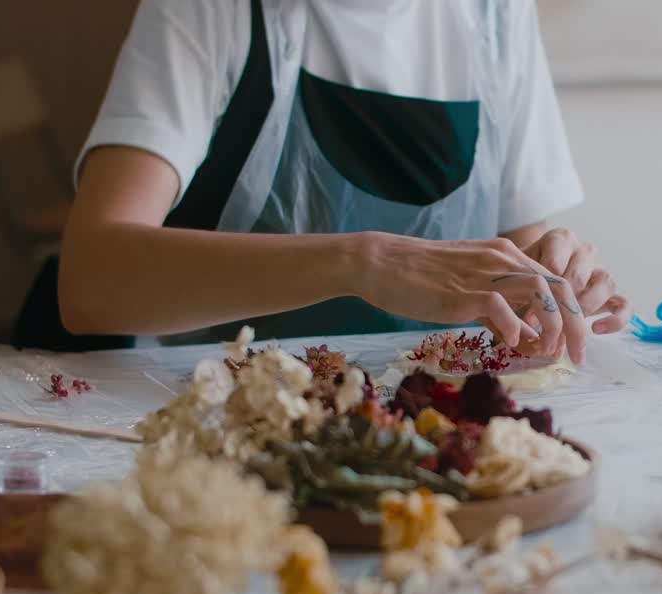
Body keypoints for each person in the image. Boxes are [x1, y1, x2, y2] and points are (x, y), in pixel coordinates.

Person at [58, 0, 628, 363]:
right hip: (229, 421)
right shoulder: (210, 9)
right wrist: (361, 263)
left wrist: (549, 286)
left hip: (436, 427)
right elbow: (91, 282)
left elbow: (519, 275)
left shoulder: (494, 14)